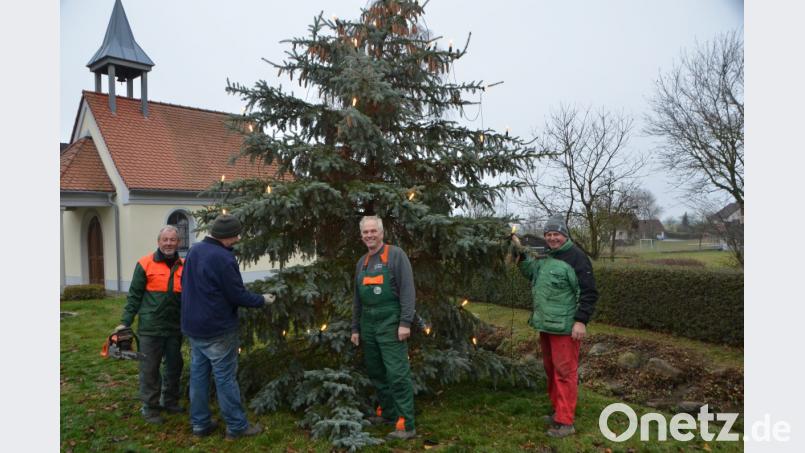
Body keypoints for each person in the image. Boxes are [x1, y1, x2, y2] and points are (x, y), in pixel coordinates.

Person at [180, 214, 275, 440]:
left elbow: (185, 283)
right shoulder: (223, 258)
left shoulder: (194, 250)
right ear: (227, 237)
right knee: (225, 379)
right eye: (236, 235)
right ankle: (236, 427)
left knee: (199, 376)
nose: (238, 238)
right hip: (217, 329)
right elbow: (236, 294)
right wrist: (262, 300)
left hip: (194, 326)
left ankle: (200, 425)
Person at [512, 214, 598, 438]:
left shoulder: (577, 258)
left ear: (564, 235)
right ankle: (558, 411)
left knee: (565, 372)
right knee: (551, 370)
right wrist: (521, 254)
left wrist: (581, 320)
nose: (552, 238)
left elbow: (588, 292)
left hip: (565, 327)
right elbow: (532, 273)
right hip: (546, 325)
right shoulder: (547, 256)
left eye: (556, 234)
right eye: (549, 234)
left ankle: (566, 422)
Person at [350, 216, 417, 440]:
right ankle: (388, 414)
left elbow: (408, 291)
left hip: (391, 322)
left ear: (381, 233)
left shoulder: (396, 255)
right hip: (368, 323)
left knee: (397, 373)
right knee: (377, 372)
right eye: (365, 232)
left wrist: (405, 323)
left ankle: (406, 424)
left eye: (373, 231)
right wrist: (355, 328)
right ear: (361, 236)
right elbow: (357, 300)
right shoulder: (362, 263)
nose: (369, 235)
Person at [117, 225, 185, 425]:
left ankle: (170, 401)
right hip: (150, 327)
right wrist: (124, 322)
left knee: (174, 365)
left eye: (172, 240)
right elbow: (134, 296)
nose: (169, 243)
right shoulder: (145, 263)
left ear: (178, 242)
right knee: (150, 368)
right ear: (158, 242)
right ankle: (150, 407)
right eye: (165, 239)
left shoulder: (184, 265)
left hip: (175, 326)